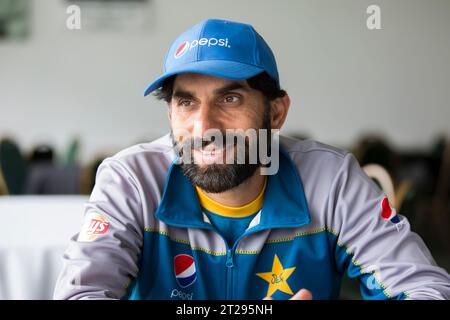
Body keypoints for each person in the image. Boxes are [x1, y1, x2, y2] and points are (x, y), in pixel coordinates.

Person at [54, 18, 450, 300]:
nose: (203, 124)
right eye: (186, 102)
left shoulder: (331, 181)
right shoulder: (132, 180)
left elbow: (425, 289)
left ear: (276, 113)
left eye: (230, 99)